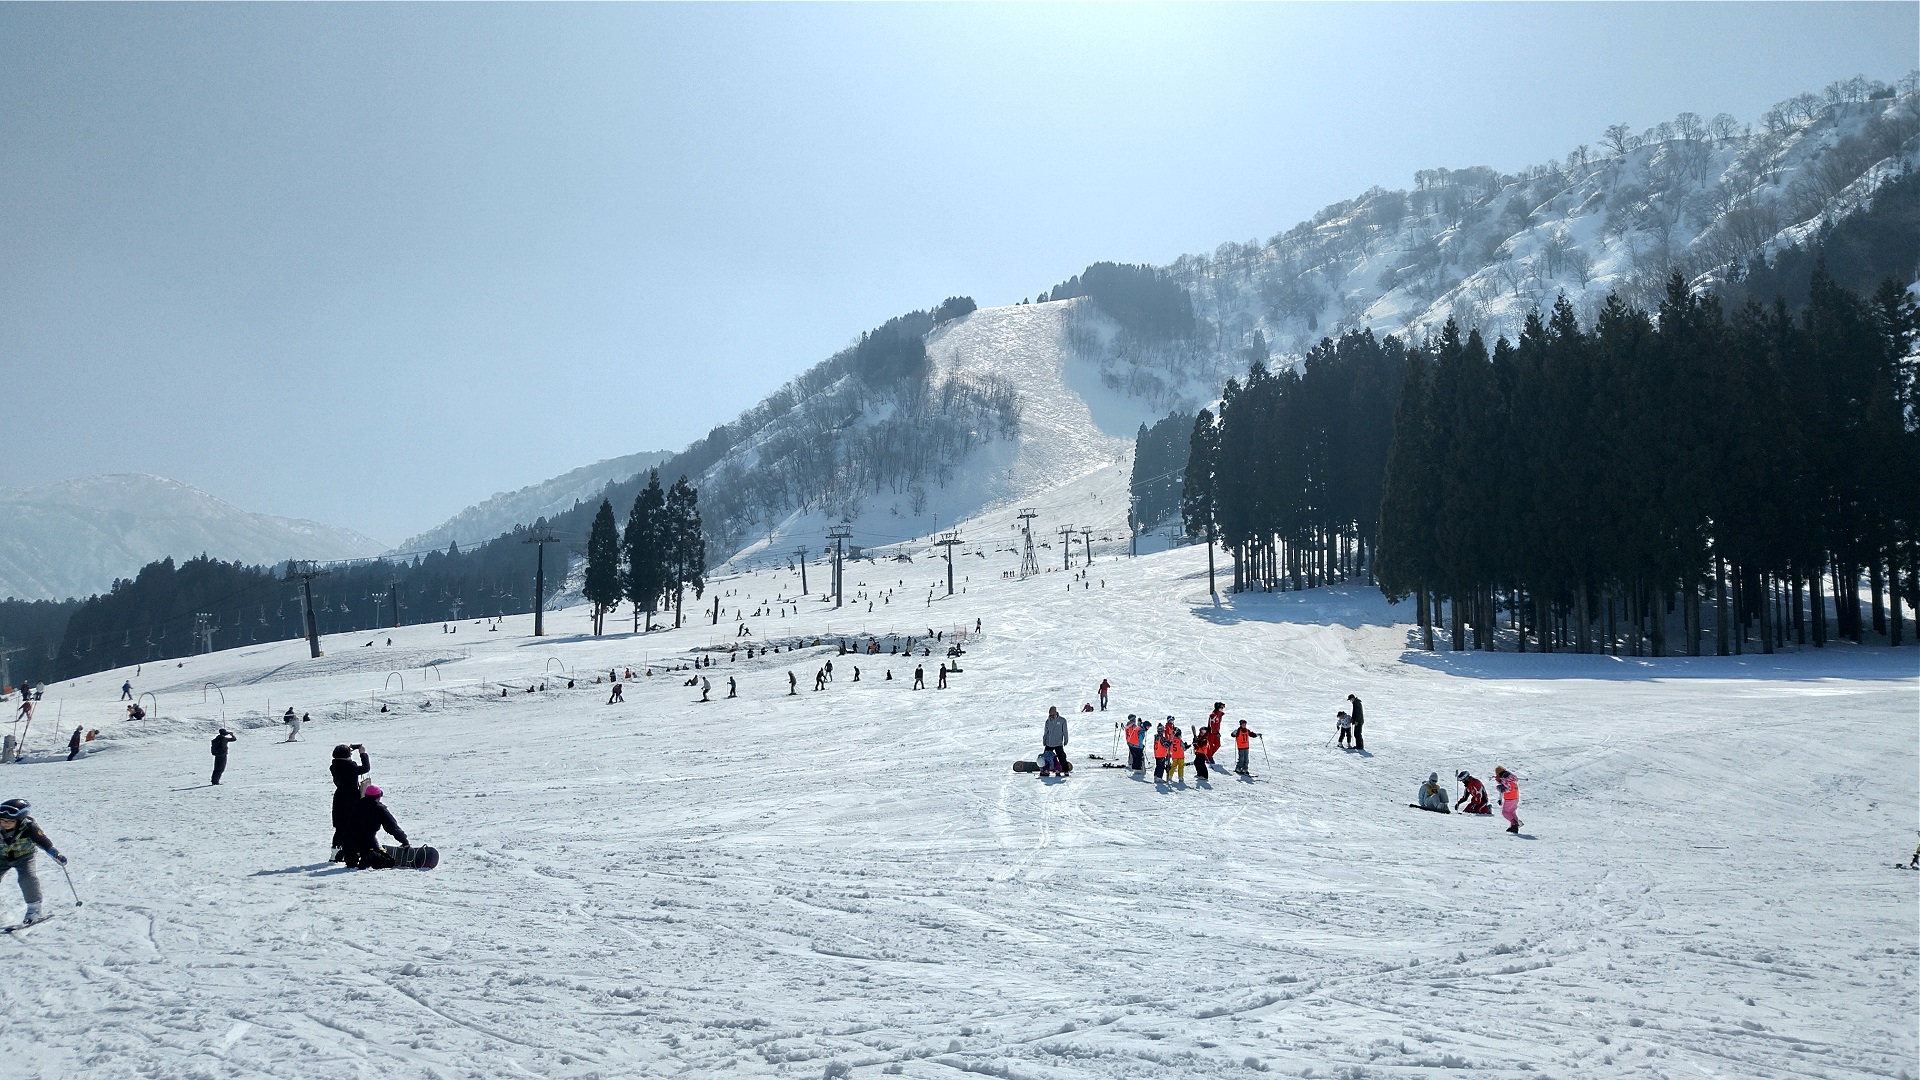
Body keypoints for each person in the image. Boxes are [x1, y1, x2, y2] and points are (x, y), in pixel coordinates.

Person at [0, 800, 65, 925]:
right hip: (1, 857)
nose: (5, 824)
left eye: (10, 821)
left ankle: (34, 910)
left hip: (24, 857)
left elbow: (44, 842)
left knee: (27, 878)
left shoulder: (29, 828)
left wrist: (56, 855)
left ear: (19, 820)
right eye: (2, 820)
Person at [340, 784, 409, 869]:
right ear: (378, 797)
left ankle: (355, 858)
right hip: (367, 841)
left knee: (351, 863)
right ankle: (369, 856)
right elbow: (392, 827)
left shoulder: (356, 805)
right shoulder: (379, 808)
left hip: (348, 843)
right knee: (389, 862)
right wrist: (404, 841)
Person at [329, 744, 371, 860]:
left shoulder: (334, 766)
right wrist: (363, 754)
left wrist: (346, 750)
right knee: (353, 826)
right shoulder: (350, 766)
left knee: (340, 828)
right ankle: (354, 851)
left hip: (339, 798)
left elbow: (342, 760)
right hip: (351, 798)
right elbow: (366, 768)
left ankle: (335, 854)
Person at [1041, 706, 1070, 777]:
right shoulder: (1048, 721)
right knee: (1046, 757)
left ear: (1056, 713)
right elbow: (1046, 732)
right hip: (1049, 743)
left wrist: (1066, 740)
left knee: (1061, 757)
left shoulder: (1062, 720)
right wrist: (1044, 740)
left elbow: (1065, 731)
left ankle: (1065, 770)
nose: (1051, 716)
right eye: (1050, 715)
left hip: (1058, 743)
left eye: (1052, 715)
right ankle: (1045, 770)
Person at [1493, 766, 1521, 833]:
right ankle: (1514, 826)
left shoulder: (1505, 779)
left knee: (1505, 812)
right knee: (1511, 812)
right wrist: (1500, 781)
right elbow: (1508, 784)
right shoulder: (1510, 776)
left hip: (1510, 798)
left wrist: (1500, 788)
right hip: (1515, 797)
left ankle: (1514, 823)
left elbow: (1508, 788)